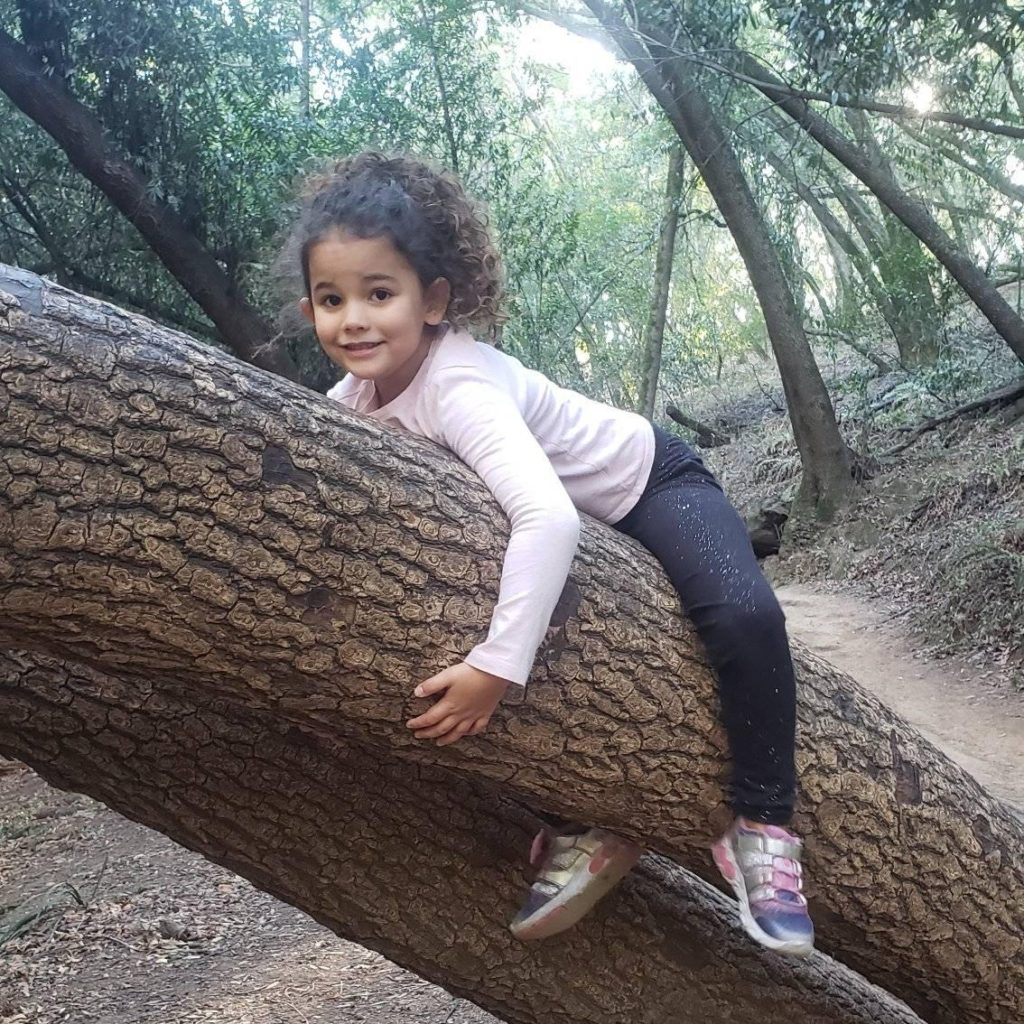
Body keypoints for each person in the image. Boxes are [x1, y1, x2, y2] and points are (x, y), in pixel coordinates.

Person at [284, 151, 814, 957]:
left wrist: (498, 665)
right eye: (332, 299)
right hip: (571, 530)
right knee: (472, 636)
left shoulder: (459, 386)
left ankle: (763, 826)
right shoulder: (353, 400)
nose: (352, 319)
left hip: (649, 486)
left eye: (377, 294)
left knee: (743, 614)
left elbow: (550, 518)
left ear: (433, 301)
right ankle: (583, 823)